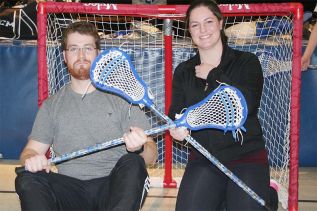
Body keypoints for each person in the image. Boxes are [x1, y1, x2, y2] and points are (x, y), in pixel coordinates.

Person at [15, 21, 158, 211]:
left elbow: (152, 154)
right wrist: (32, 159)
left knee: (133, 163)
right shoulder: (51, 106)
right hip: (70, 191)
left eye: (87, 48)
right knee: (27, 177)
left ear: (98, 53)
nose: (81, 55)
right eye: (74, 49)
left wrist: (140, 148)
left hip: (112, 189)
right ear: (65, 56)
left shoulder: (123, 99)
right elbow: (29, 152)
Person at [168, 0, 271, 210]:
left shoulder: (247, 61)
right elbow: (175, 113)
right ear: (189, 30)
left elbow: (247, 104)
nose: (202, 30)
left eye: (208, 22)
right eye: (195, 25)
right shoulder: (184, 71)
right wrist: (177, 129)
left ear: (220, 23)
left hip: (247, 157)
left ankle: (268, 194)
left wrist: (214, 76)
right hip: (205, 159)